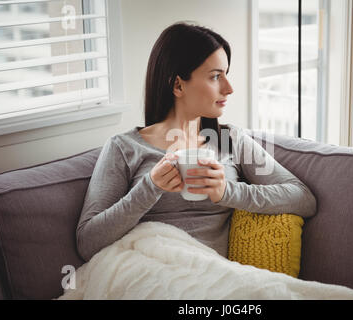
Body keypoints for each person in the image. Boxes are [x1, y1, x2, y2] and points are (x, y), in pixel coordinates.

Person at [76, 22, 317, 262]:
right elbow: (88, 242)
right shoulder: (124, 148)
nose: (229, 88)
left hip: (212, 276)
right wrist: (149, 187)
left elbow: (302, 198)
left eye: (226, 75)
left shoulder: (230, 141)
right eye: (215, 77)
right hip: (149, 270)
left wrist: (228, 192)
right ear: (178, 85)